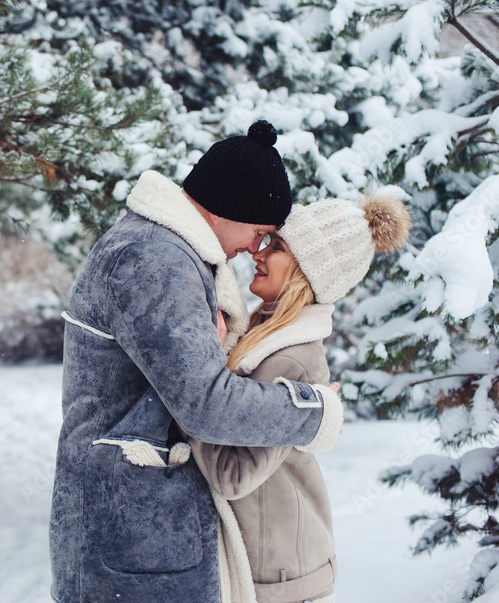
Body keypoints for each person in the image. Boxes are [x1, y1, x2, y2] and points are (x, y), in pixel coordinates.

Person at [50, 120, 345, 603]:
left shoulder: (162, 250)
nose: (255, 248)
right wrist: (313, 412)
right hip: (135, 535)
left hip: (139, 533)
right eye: (260, 231)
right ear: (232, 208)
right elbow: (206, 404)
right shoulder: (155, 261)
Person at [190, 194, 411, 603]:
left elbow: (232, 475)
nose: (258, 252)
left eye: (276, 248)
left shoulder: (292, 360)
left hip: (281, 575)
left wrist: (196, 379)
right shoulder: (264, 335)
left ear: (307, 274)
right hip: (271, 563)